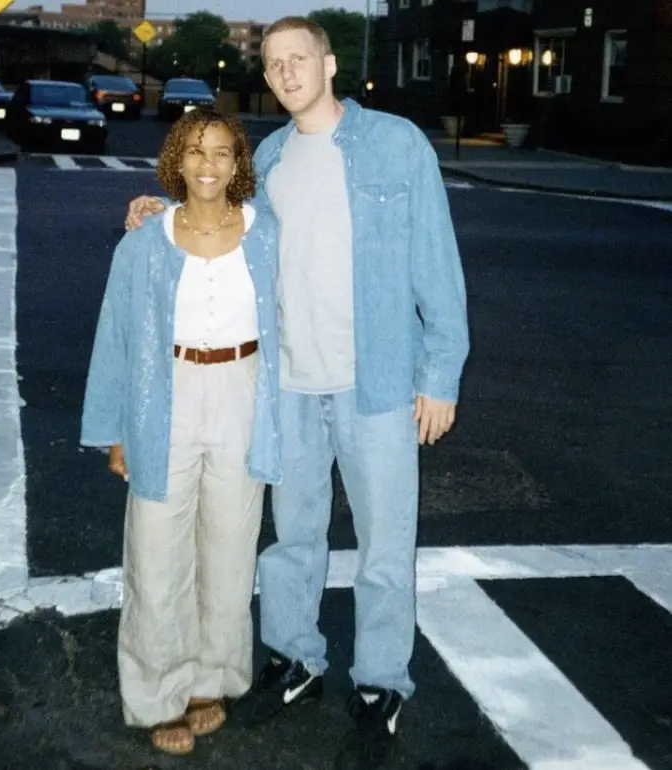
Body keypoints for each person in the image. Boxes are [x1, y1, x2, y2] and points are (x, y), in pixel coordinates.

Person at [124, 16, 470, 770]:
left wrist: (440, 375)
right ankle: (296, 658)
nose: (285, 72)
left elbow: (435, 262)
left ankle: (381, 680)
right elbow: (221, 229)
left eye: (297, 58)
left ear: (329, 62)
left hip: (376, 383)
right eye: (274, 63)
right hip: (288, 387)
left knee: (385, 545)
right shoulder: (271, 159)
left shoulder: (395, 144)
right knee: (292, 540)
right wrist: (160, 216)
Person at [81, 109, 281, 757]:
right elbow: (116, 339)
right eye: (196, 152)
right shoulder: (145, 241)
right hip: (163, 394)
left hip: (243, 392)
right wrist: (115, 431)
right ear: (176, 160)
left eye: (222, 153)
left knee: (229, 548)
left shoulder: (268, 235)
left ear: (237, 165)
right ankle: (156, 692)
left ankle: (210, 680)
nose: (209, 165)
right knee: (156, 550)